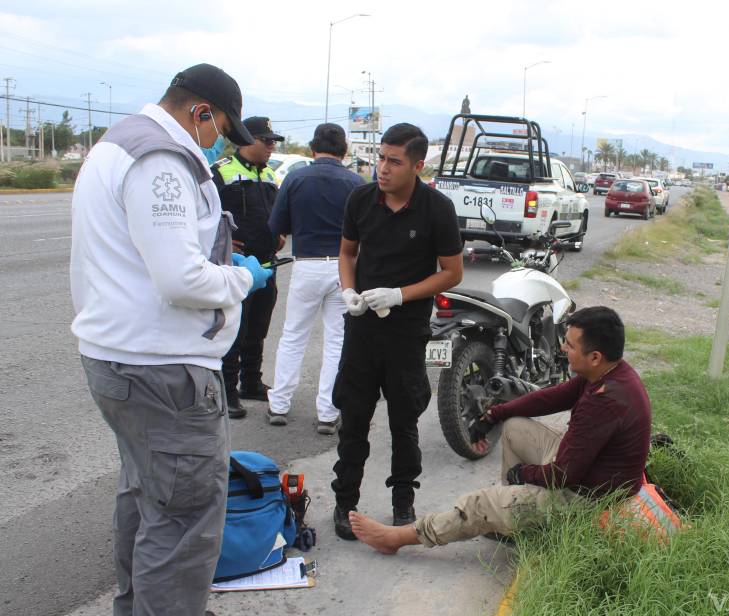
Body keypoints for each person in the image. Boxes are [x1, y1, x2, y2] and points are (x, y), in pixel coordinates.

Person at [70, 63, 272, 616]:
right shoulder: (161, 162)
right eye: (218, 132)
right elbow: (181, 280)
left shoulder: (119, 144)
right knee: (183, 520)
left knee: (147, 501)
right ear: (200, 113)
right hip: (162, 371)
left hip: (120, 360)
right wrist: (239, 280)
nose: (218, 146)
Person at [347, 307, 652, 554]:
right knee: (515, 428)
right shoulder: (608, 374)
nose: (562, 348)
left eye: (570, 345)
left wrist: (526, 475)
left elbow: (564, 475)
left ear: (594, 356)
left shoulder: (605, 401)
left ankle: (398, 538)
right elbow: (553, 397)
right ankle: (513, 522)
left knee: (479, 503)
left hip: (591, 501)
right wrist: (495, 413)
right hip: (588, 473)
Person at [331, 122, 463, 539]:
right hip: (361, 330)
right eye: (380, 158)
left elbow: (452, 272)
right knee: (353, 416)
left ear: (417, 166)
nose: (382, 169)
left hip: (406, 332)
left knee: (404, 419)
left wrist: (401, 295)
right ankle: (344, 502)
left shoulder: (436, 209)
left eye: (394, 161)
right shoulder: (361, 199)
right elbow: (347, 252)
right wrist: (348, 289)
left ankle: (402, 501)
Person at [266, 124, 365, 433]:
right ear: (344, 151)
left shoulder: (295, 178)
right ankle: (327, 412)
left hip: (306, 263)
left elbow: (276, 226)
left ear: (312, 148)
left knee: (294, 335)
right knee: (337, 340)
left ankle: (279, 404)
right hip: (343, 267)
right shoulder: (355, 183)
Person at [212, 116, 285, 418]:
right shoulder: (221, 172)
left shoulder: (269, 174)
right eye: (265, 140)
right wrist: (223, 241)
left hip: (267, 267)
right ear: (246, 140)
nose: (271, 146)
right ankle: (227, 392)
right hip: (238, 269)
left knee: (258, 328)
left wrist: (280, 232)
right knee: (234, 331)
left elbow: (278, 211)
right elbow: (207, 215)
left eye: (272, 141)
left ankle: (251, 383)